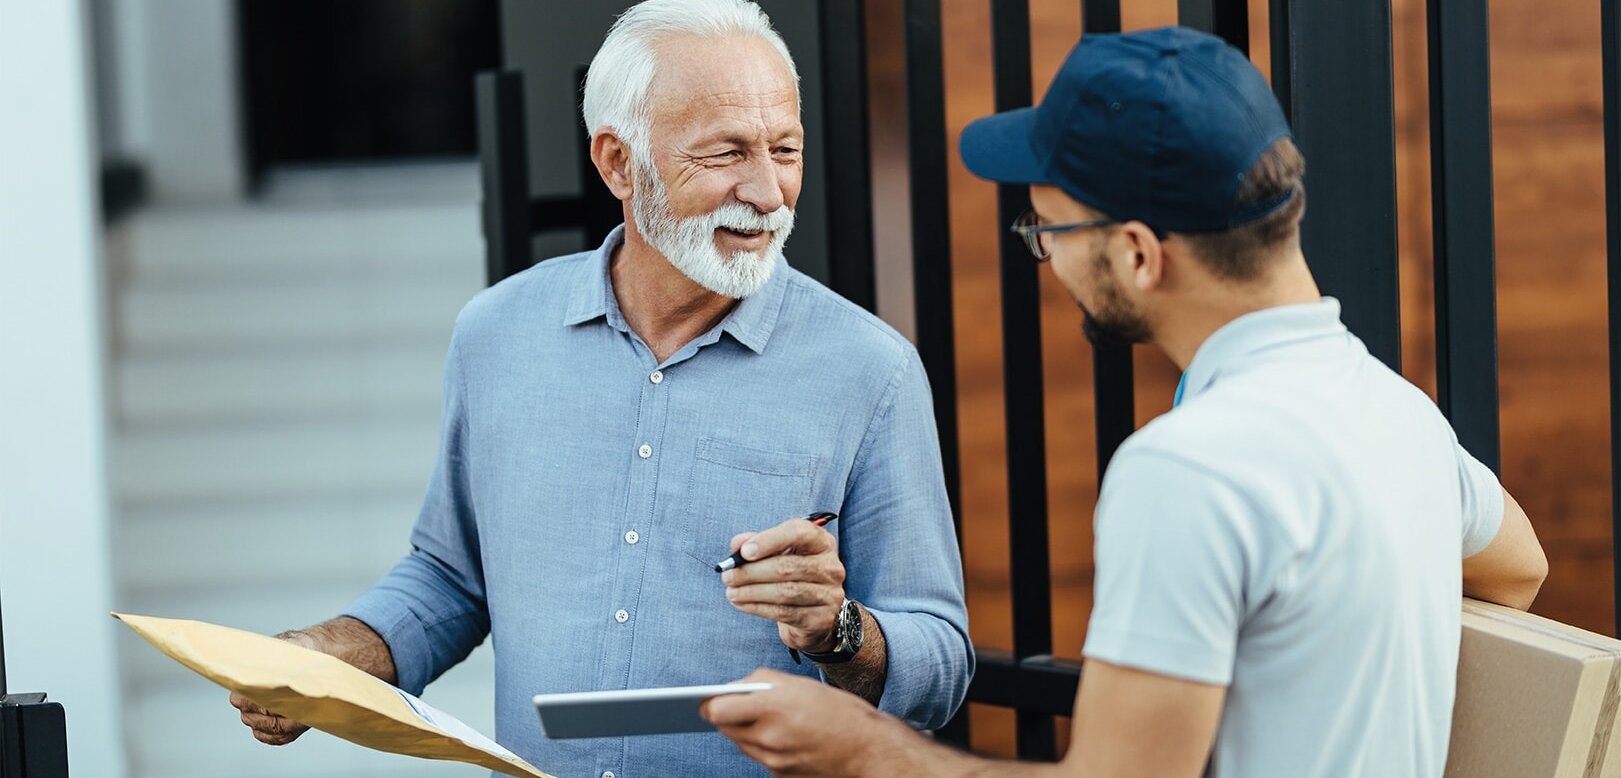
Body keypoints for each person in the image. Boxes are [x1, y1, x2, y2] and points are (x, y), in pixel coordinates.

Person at [703, 26, 1547, 778]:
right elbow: (1519, 569)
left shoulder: (1186, 469)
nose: (1049, 261)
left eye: (1046, 234)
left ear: (1139, 254)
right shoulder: (1397, 415)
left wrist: (859, 749)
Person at [227, 1, 973, 775]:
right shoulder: (497, 333)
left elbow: (941, 664)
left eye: (785, 149)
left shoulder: (869, 369)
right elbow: (451, 578)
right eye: (725, 154)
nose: (768, 191)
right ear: (618, 162)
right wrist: (324, 657)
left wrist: (838, 630)